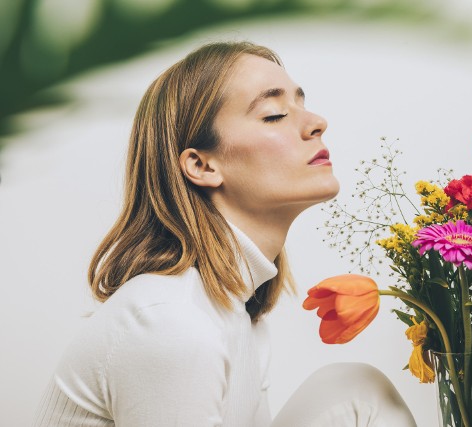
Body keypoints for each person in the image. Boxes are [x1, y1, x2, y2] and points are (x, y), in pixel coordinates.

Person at [33, 41, 417, 427]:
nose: (316, 121)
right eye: (274, 114)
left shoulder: (238, 314)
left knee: (355, 388)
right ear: (201, 165)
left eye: (301, 104)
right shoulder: (171, 323)